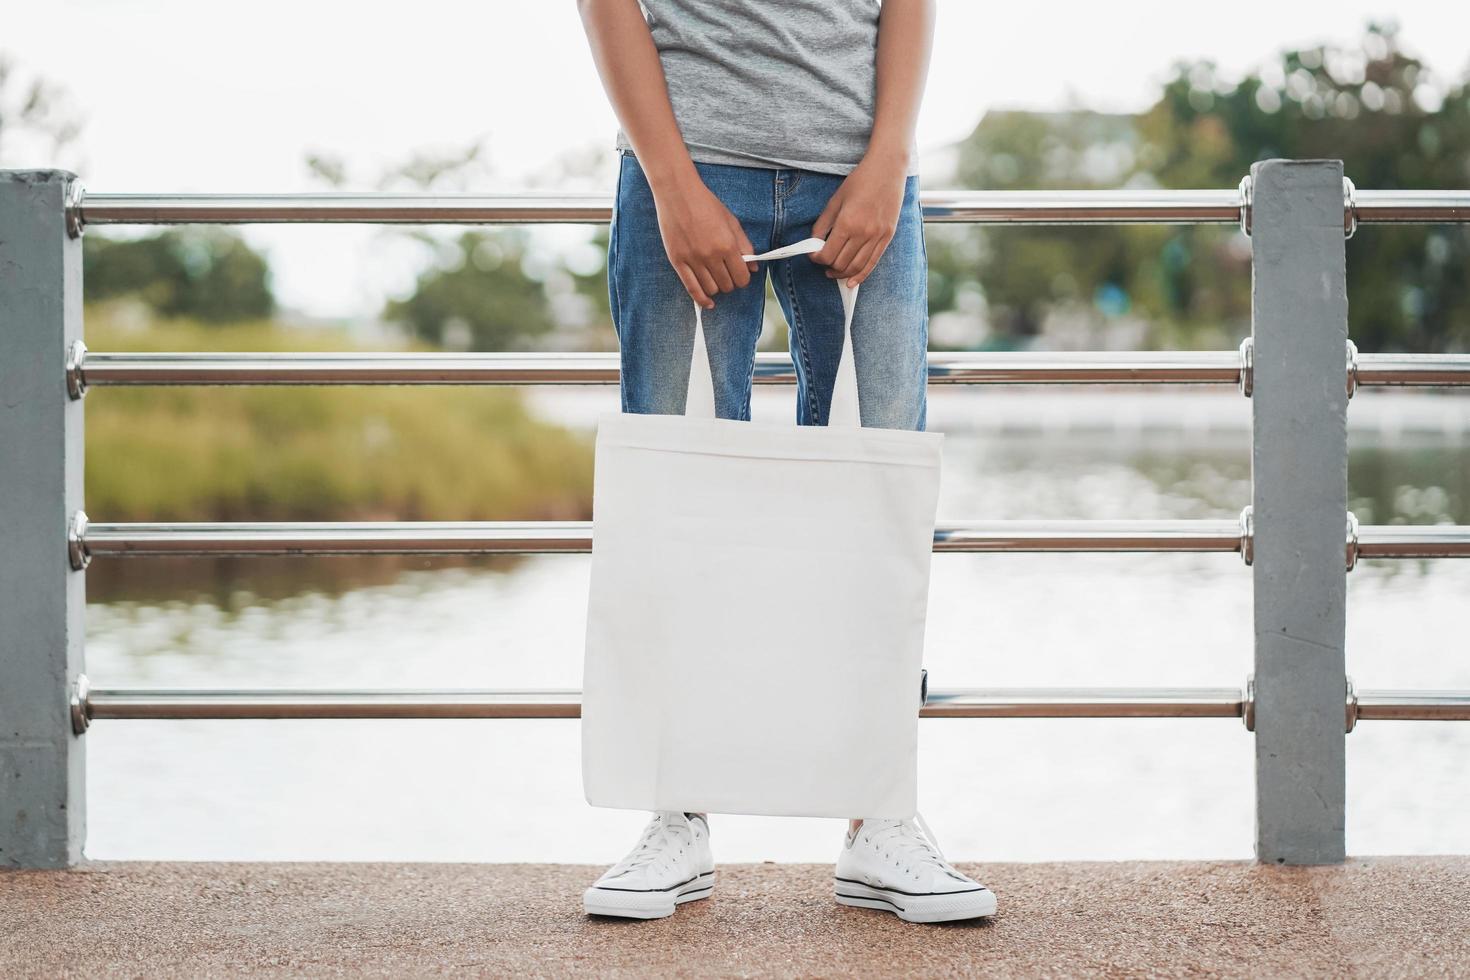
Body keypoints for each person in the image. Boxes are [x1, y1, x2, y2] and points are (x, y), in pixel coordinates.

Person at [575, 0, 996, 924]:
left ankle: (878, 817)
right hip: (684, 162)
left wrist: (890, 159)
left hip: (862, 166)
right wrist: (670, 181)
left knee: (879, 488)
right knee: (671, 484)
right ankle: (674, 812)